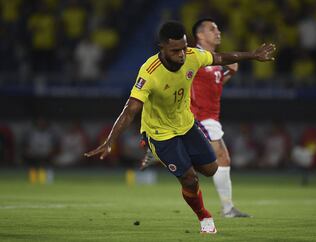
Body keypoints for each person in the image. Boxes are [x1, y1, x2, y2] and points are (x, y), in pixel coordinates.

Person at [85, 21, 275, 234]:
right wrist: (110, 141)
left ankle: (172, 158)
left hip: (186, 124)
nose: (182, 54)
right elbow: (130, 109)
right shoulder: (149, 71)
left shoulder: (193, 56)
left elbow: (221, 58)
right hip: (160, 133)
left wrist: (253, 55)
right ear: (162, 47)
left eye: (184, 48)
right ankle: (204, 216)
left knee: (211, 169)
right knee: (190, 178)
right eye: (176, 50)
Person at [190, 18, 250, 218]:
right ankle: (228, 209)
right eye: (211, 28)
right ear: (200, 35)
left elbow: (212, 86)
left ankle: (162, 149)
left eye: (217, 27)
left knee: (215, 160)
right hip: (200, 116)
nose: (217, 31)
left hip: (209, 117)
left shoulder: (213, 59)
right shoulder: (194, 56)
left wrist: (229, 74)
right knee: (221, 157)